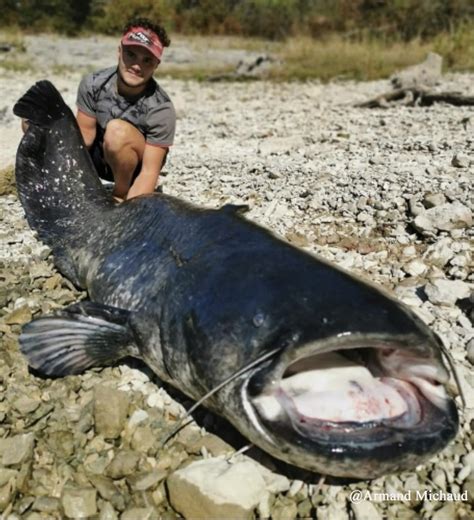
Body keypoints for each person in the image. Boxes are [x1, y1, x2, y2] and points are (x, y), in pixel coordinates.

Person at [76, 17, 176, 202]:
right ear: (119, 51)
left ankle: (120, 195)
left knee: (117, 131)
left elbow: (148, 171)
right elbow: (84, 139)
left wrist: (128, 214)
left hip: (135, 170)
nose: (137, 66)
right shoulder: (93, 83)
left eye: (147, 60)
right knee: (39, 120)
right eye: (131, 54)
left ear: (156, 64)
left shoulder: (162, 108)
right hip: (98, 159)